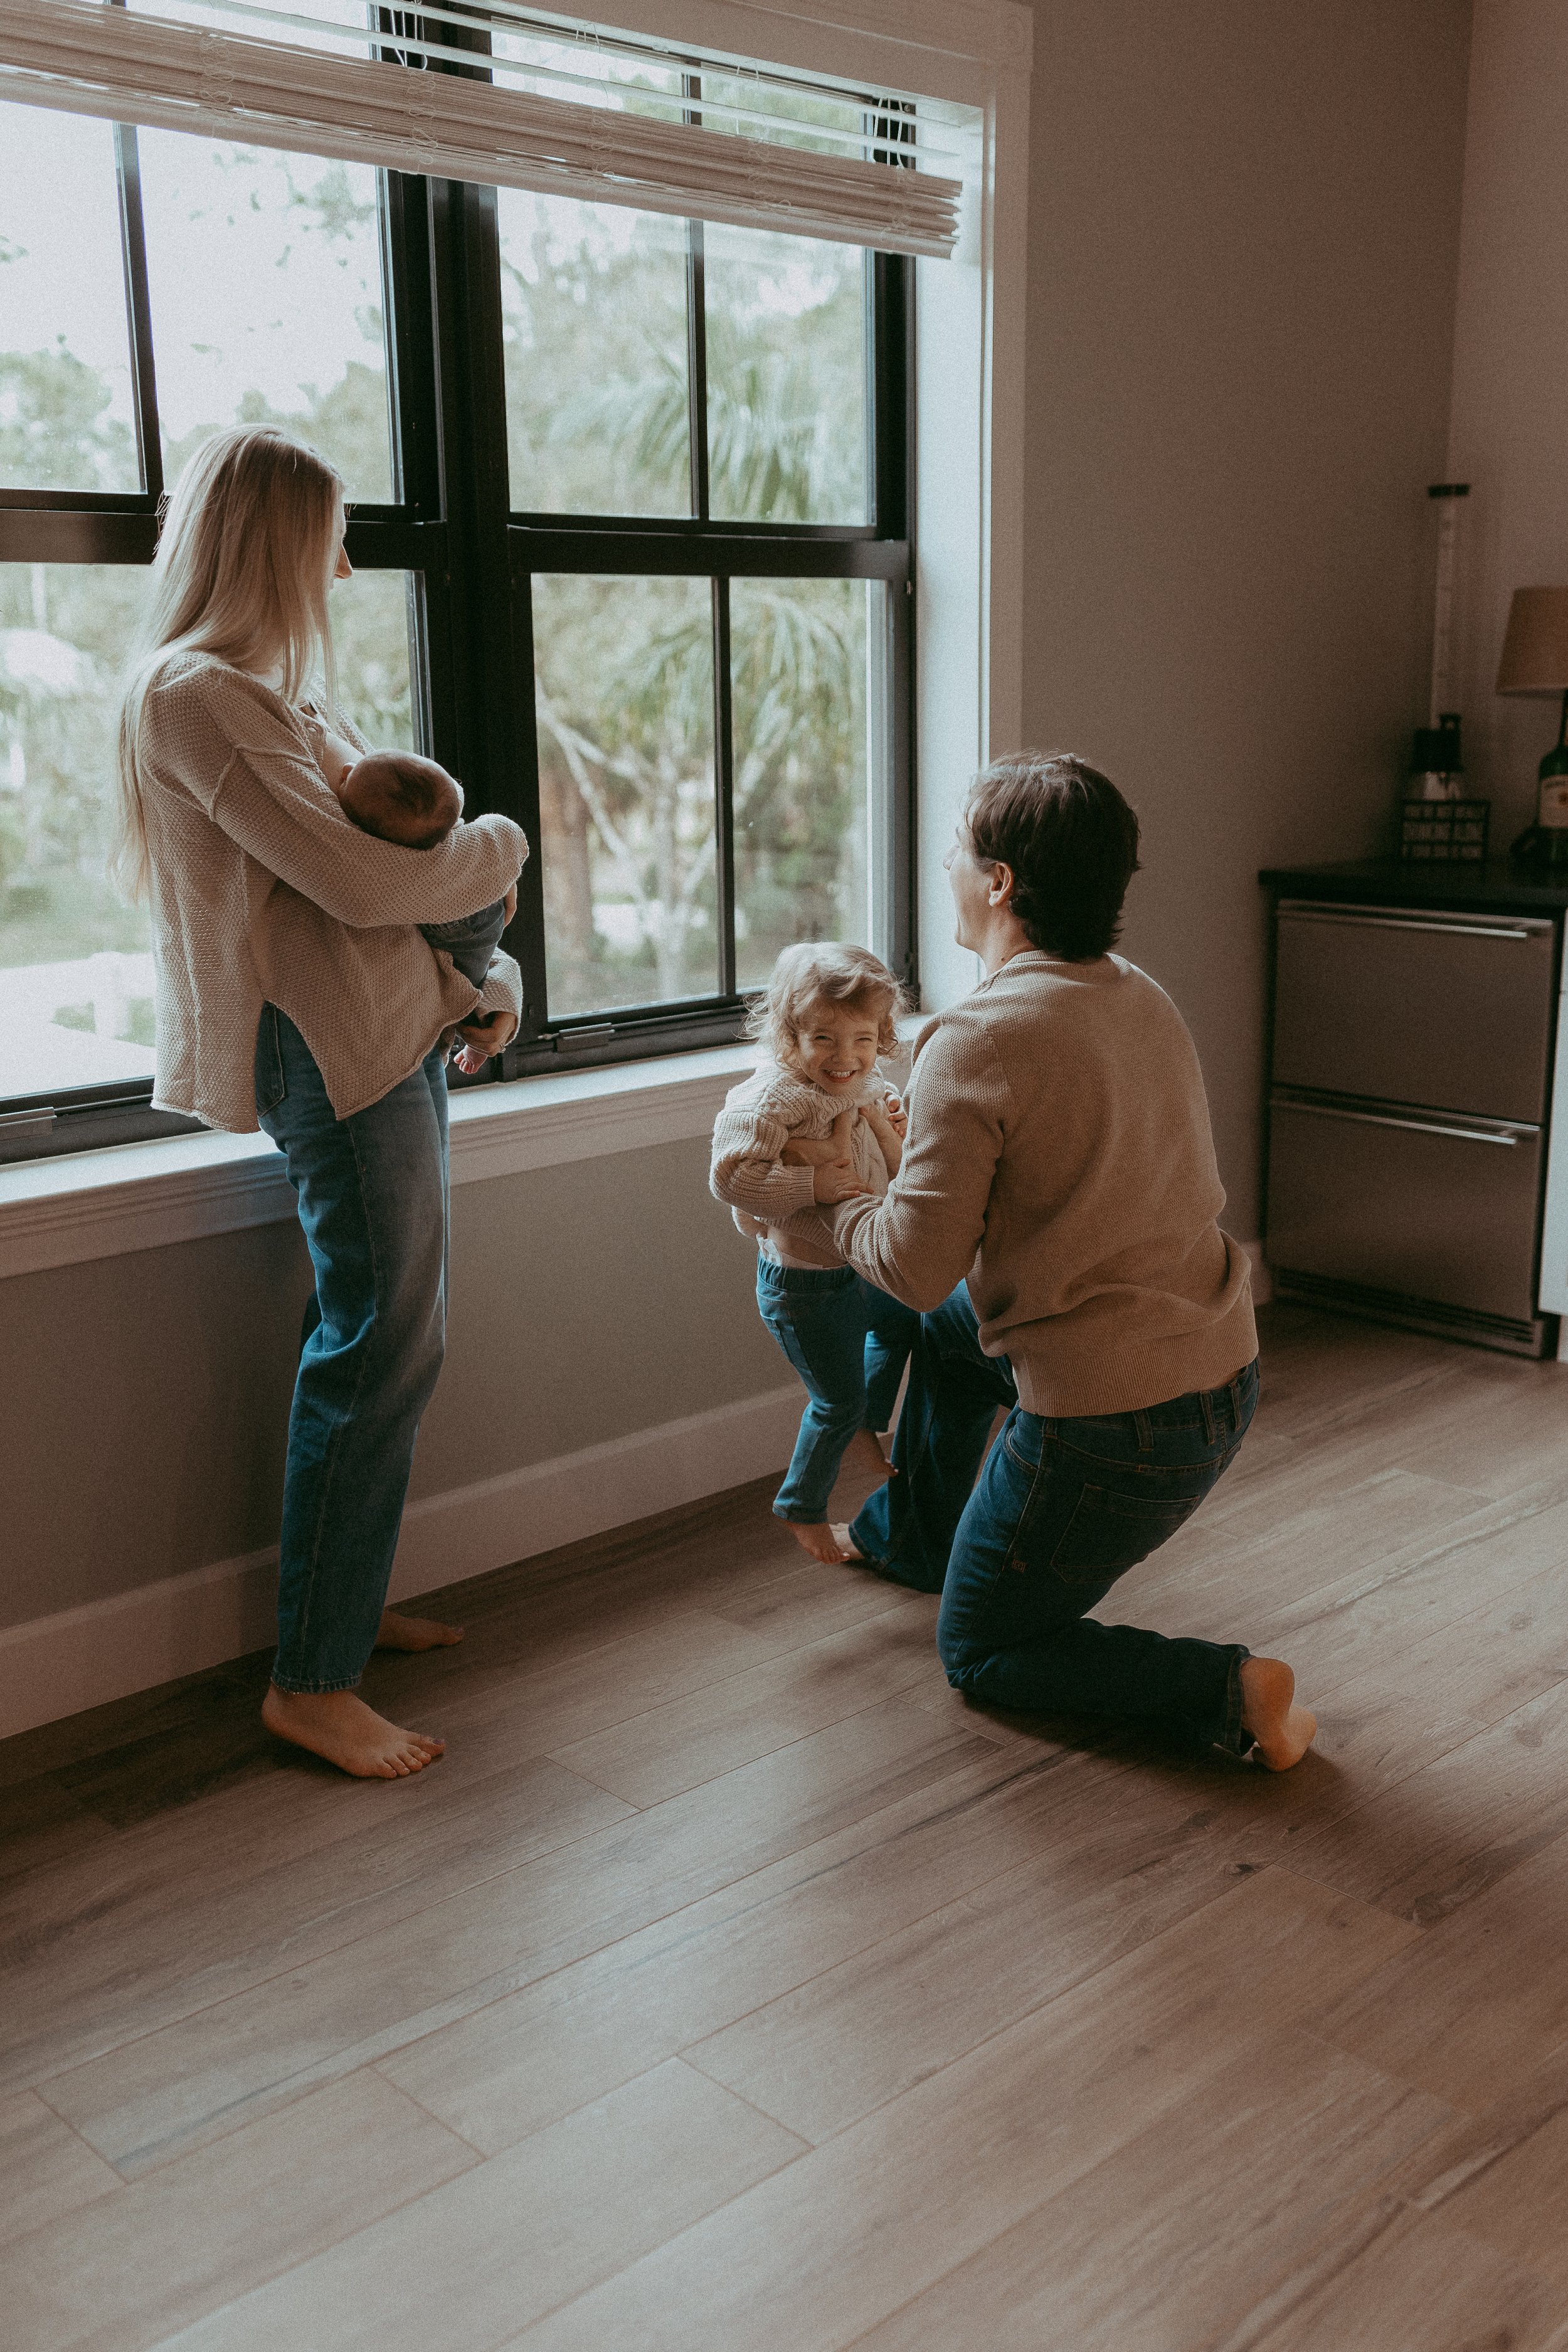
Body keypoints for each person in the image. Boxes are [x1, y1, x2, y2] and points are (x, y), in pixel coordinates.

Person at [114, 425, 528, 1779]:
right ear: (275, 546)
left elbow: (391, 890)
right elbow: (364, 890)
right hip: (336, 1055)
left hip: (392, 1032)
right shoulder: (197, 698)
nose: (346, 570)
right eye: (331, 541)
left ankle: (333, 1607)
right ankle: (311, 1678)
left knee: (384, 1335)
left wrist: (486, 975)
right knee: (381, 1344)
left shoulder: (286, 702)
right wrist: (505, 847)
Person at [819, 753, 1316, 1770]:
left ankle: (1228, 1689)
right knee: (948, 1332)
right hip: (1220, 1366)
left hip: (1119, 1422)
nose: (949, 865)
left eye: (961, 849)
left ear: (1000, 882)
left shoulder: (977, 1035)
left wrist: (832, 1194)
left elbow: (910, 1267)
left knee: (985, 1650)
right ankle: (920, 1537)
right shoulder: (1137, 995)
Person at [710, 943, 919, 1564]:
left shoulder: (867, 1082)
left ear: (880, 1036)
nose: (844, 1056)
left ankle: (864, 1425)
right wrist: (811, 1185)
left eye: (860, 1038)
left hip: (859, 1266)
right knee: (834, 1399)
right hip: (803, 1287)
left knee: (911, 1318)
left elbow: (882, 1155)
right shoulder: (775, 1098)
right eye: (823, 1038)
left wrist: (897, 1135)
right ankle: (801, 1506)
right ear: (788, 1034)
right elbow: (731, 1177)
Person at [314, 739, 508, 1076]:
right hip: (484, 902)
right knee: (470, 977)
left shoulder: (383, 855)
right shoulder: (441, 829)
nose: (345, 769)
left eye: (349, 777)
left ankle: (458, 1044)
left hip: (459, 919)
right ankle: (469, 1041)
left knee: (458, 988)